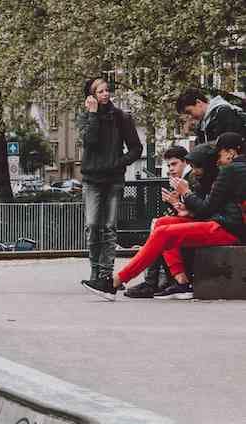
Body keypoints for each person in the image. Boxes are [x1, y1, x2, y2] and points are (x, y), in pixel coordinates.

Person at [82, 132, 246, 300]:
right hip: (231, 224)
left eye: (220, 153)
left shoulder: (230, 170)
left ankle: (115, 283)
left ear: (231, 152)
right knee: (162, 224)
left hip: (230, 229)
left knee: (163, 232)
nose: (218, 159)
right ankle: (182, 282)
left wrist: (186, 193)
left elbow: (207, 208)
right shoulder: (235, 170)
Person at [77, 77, 144, 292]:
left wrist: (118, 163)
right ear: (91, 96)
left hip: (113, 179)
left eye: (107, 90)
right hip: (92, 180)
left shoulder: (122, 117)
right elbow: (90, 142)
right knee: (92, 226)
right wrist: (93, 114)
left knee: (109, 228)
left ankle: (105, 275)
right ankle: (95, 271)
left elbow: (136, 148)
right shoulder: (86, 117)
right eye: (100, 92)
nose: (105, 94)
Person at [124, 146, 190, 298]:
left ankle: (152, 282)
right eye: (168, 165)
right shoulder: (179, 181)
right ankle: (154, 281)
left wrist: (175, 203)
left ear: (185, 162)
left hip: (199, 224)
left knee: (161, 228)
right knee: (159, 226)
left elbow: (196, 209)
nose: (170, 169)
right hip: (189, 222)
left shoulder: (188, 180)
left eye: (174, 164)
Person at [176, 89, 246, 145]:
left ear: (198, 102)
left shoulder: (224, 112)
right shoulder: (203, 123)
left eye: (189, 112)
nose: (190, 117)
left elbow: (227, 143)